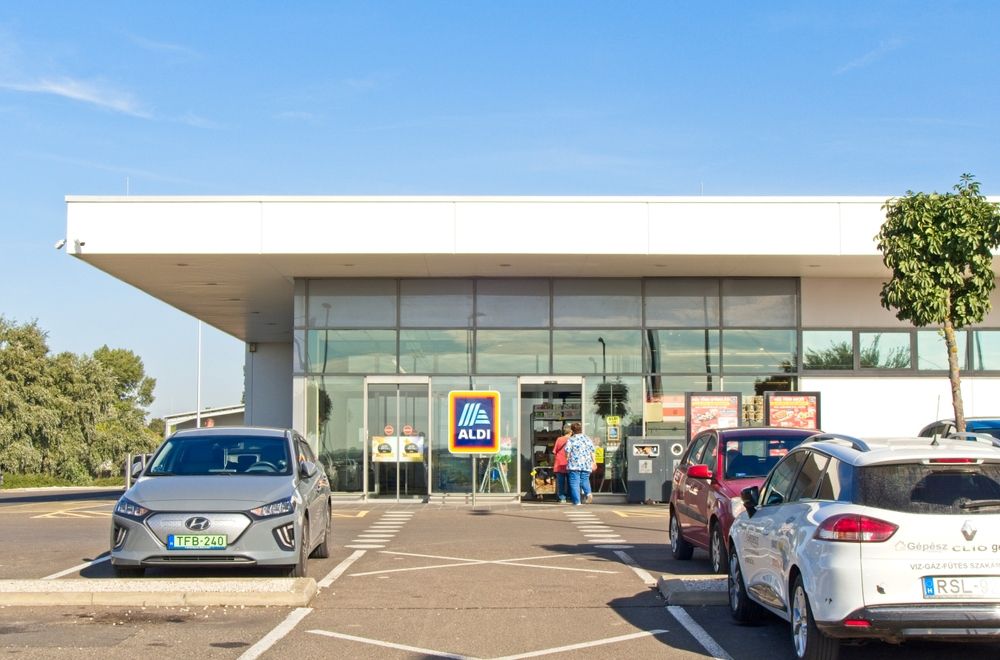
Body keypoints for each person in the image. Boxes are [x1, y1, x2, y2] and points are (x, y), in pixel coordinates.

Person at [564, 422, 595, 505]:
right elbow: (592, 451)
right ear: (581, 429)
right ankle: (588, 493)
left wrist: (567, 458)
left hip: (574, 464)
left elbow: (567, 451)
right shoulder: (587, 438)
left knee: (574, 483)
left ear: (572, 430)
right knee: (585, 479)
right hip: (586, 463)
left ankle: (577, 502)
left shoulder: (571, 439)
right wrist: (594, 462)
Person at [552, 425, 571, 503]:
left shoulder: (559, 439)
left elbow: (554, 451)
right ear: (570, 432)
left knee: (560, 482)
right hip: (570, 463)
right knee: (571, 481)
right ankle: (570, 496)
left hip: (559, 463)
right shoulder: (572, 440)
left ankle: (562, 497)